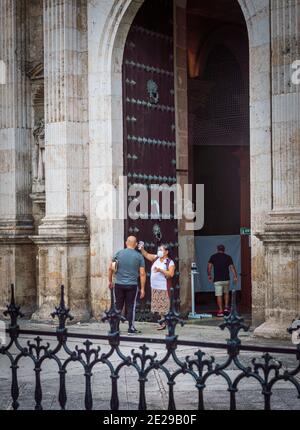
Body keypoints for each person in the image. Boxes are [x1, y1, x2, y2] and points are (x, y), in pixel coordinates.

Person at [108, 236, 146, 334]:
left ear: (126, 243)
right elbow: (142, 273)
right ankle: (131, 328)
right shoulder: (139, 256)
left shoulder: (118, 254)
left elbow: (111, 268)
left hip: (119, 284)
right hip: (132, 285)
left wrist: (110, 281)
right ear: (136, 244)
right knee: (131, 306)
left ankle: (115, 328)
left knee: (118, 306)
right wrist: (142, 288)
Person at [139, 243, 175, 330]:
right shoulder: (156, 258)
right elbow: (146, 254)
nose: (159, 251)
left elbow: (171, 274)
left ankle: (165, 322)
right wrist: (142, 249)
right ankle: (162, 321)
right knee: (159, 306)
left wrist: (160, 270)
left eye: (161, 250)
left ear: (166, 252)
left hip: (163, 287)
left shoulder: (170, 262)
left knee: (164, 305)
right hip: (155, 287)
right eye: (159, 250)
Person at [207, 244, 238, 317]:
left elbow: (209, 267)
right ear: (224, 250)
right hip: (226, 279)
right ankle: (226, 308)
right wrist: (235, 276)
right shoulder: (228, 257)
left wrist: (209, 275)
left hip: (217, 279)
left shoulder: (213, 257)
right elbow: (232, 267)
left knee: (219, 295)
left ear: (217, 249)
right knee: (226, 293)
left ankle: (220, 310)